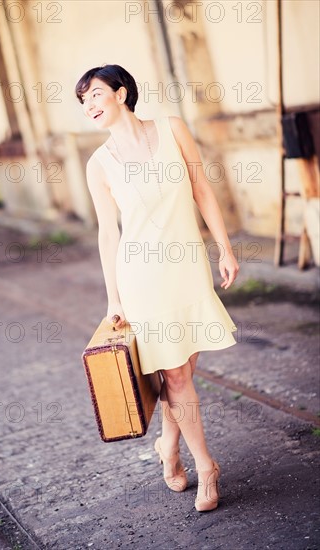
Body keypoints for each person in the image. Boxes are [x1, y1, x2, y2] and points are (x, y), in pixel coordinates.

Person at [75, 64, 239, 512]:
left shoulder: (171, 128)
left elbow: (202, 187)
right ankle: (207, 467)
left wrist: (224, 248)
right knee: (177, 376)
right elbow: (108, 234)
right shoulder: (99, 165)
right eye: (83, 99)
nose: (89, 105)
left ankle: (168, 446)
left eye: (95, 94)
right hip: (141, 277)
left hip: (187, 267)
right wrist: (113, 297)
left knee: (180, 368)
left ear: (122, 93)